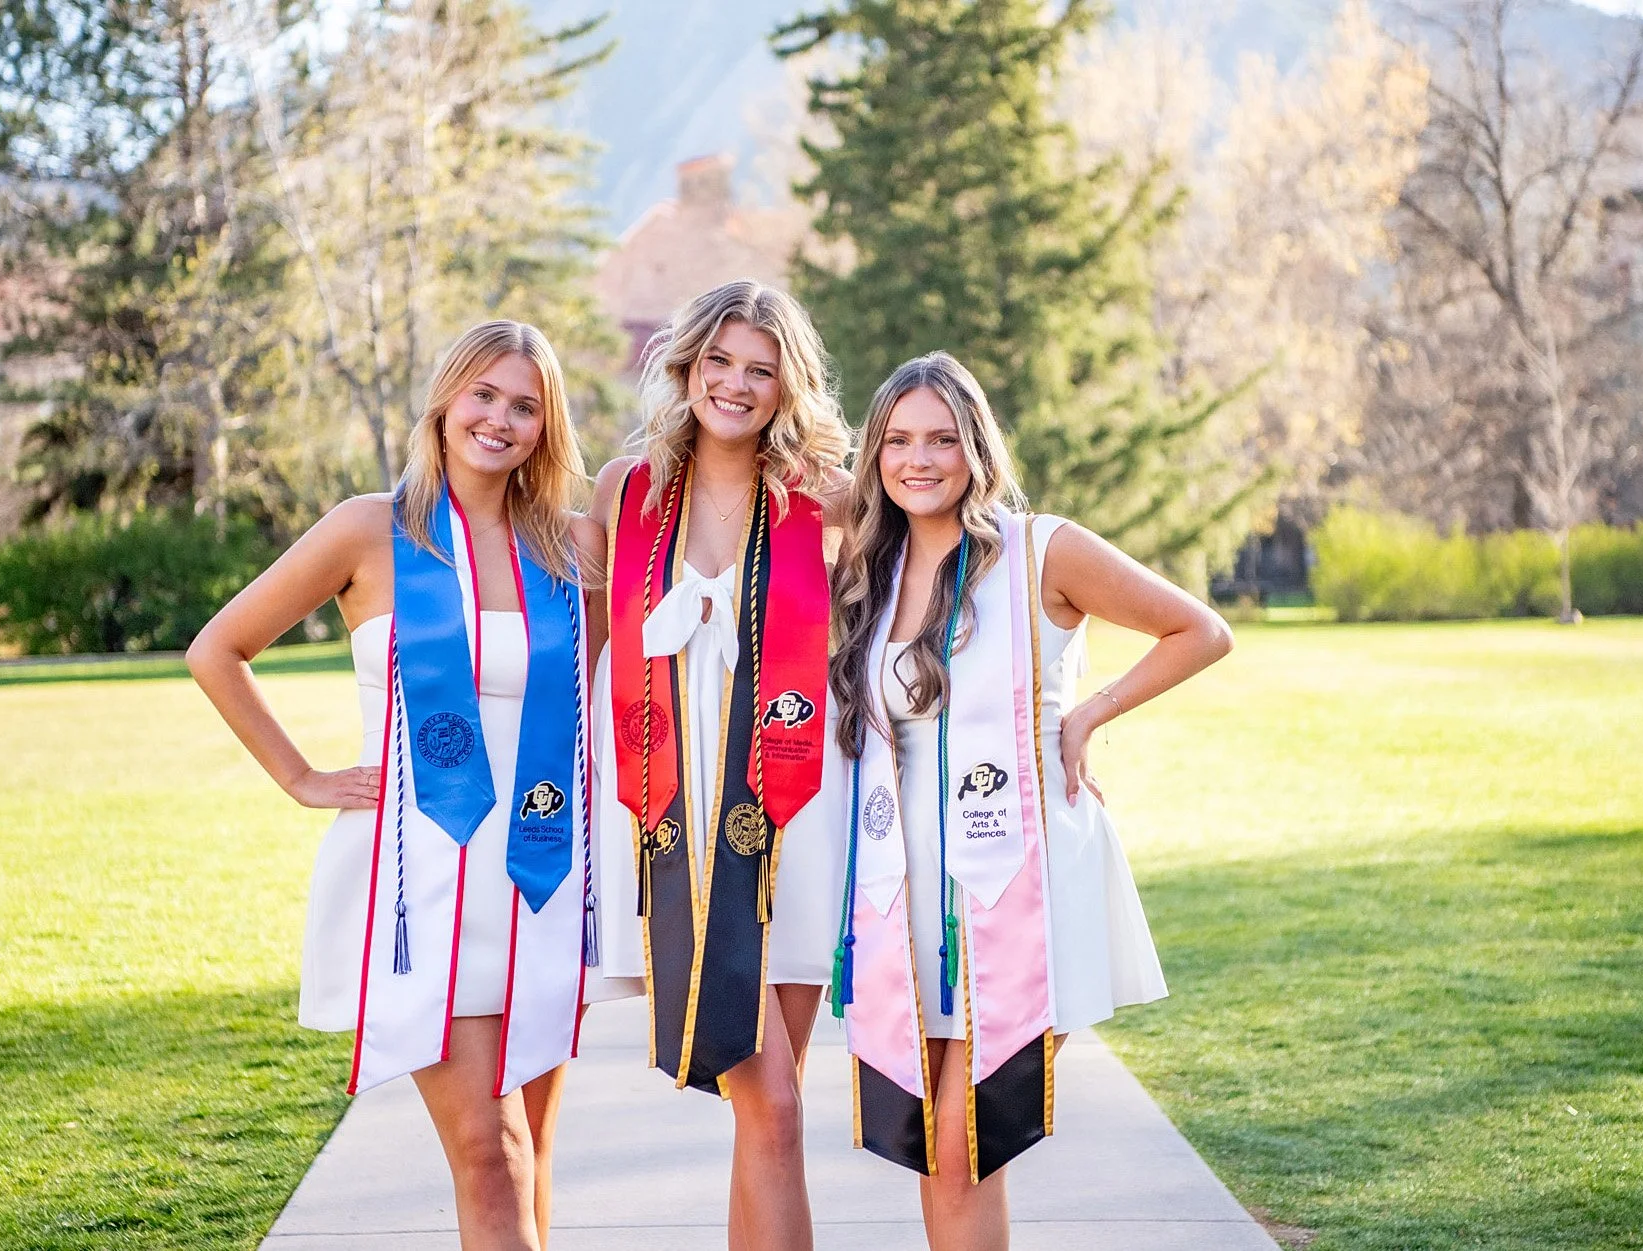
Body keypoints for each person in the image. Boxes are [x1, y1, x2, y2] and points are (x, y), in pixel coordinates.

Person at [188, 320, 632, 1251]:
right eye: (484, 394)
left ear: (546, 427)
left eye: (525, 406)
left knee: (532, 1158)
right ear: (444, 397)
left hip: (538, 878)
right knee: (490, 1151)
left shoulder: (571, 546)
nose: (499, 420)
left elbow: (595, 691)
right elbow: (217, 649)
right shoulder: (368, 529)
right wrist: (301, 776)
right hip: (423, 883)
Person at [828, 352, 1233, 1250]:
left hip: (1022, 883)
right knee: (937, 1148)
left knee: (961, 1144)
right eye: (896, 440)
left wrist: (1089, 712)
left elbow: (1200, 629)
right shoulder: (871, 566)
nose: (918, 459)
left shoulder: (1039, 549)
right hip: (912, 901)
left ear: (977, 446)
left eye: (941, 437)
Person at [588, 279, 851, 1251]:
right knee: (770, 1107)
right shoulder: (628, 491)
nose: (735, 385)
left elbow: (910, 604)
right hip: (674, 816)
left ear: (789, 386)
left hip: (789, 811)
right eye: (719, 363)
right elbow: (574, 642)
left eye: (760, 369)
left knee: (769, 1114)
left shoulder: (819, 499)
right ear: (686, 366)